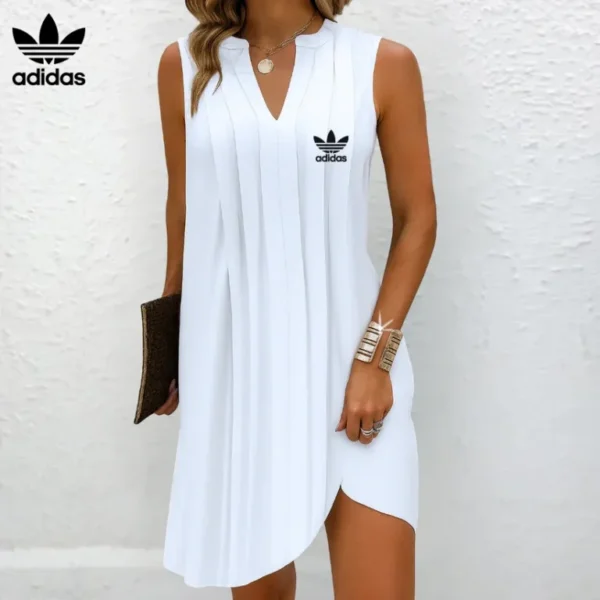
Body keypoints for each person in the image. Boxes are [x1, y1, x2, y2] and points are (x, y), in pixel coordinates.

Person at [154, 0, 436, 598]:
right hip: (238, 375)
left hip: (354, 373)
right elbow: (184, 212)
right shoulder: (184, 65)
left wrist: (375, 359)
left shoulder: (381, 64)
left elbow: (418, 219)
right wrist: (168, 347)